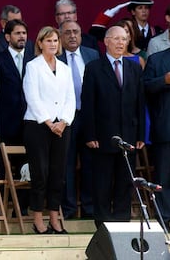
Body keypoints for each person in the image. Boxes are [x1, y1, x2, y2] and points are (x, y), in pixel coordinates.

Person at [81, 26, 145, 228]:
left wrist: (141, 133)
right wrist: (90, 134)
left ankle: (122, 224)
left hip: (128, 136)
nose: (120, 43)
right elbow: (88, 103)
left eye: (124, 39)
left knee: (125, 183)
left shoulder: (134, 68)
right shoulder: (93, 68)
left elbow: (139, 103)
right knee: (102, 182)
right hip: (103, 136)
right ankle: (103, 226)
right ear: (106, 41)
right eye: (116, 39)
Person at [23, 26, 75, 234]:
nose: (53, 44)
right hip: (38, 126)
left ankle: (54, 217)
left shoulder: (65, 68)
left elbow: (70, 97)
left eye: (55, 40)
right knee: (40, 174)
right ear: (40, 43)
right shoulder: (33, 66)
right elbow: (32, 96)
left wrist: (63, 121)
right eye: (48, 40)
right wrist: (49, 122)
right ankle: (37, 218)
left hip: (62, 127)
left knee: (58, 174)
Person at [0, 19, 34, 215]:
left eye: (24, 33)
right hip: (4, 124)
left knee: (26, 167)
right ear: (7, 37)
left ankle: (22, 209)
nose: (22, 37)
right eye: (17, 33)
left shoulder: (34, 60)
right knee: (0, 169)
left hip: (28, 124)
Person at [58, 20, 99, 219]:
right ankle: (69, 208)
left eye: (76, 32)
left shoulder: (92, 55)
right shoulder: (55, 57)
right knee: (66, 163)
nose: (72, 36)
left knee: (91, 163)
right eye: (67, 33)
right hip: (65, 117)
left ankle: (90, 207)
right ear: (60, 36)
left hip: (88, 116)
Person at [144, 46, 170, 231]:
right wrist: (165, 80)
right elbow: (145, 88)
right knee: (164, 178)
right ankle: (165, 219)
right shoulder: (156, 59)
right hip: (165, 129)